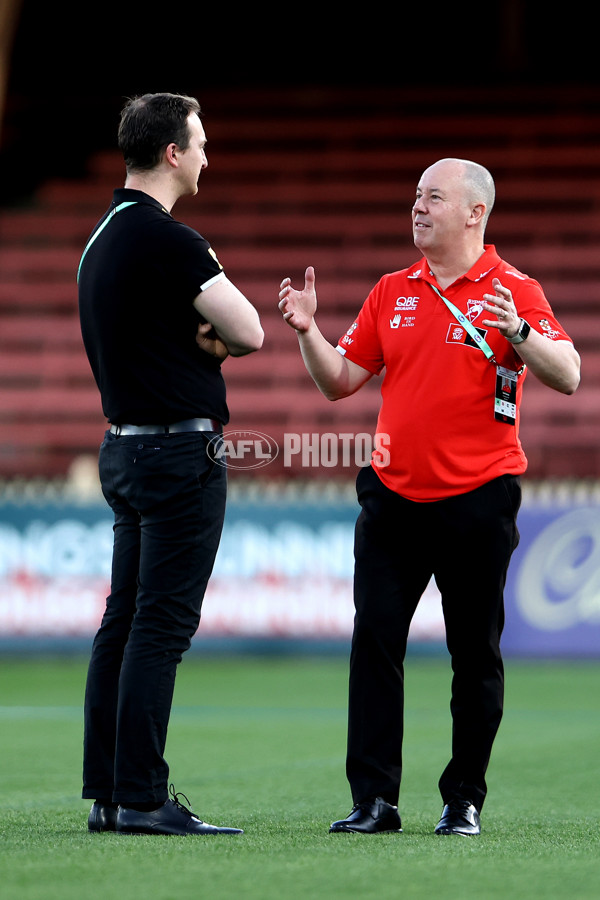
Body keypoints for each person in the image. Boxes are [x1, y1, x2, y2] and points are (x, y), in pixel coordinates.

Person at [278, 158, 580, 837]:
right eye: (416, 196)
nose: (418, 207)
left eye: (433, 198)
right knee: (375, 645)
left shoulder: (514, 290)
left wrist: (523, 334)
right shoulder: (392, 290)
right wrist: (307, 332)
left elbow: (570, 374)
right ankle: (374, 801)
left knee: (474, 657)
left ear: (476, 212)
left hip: (478, 501)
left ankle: (463, 798)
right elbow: (340, 381)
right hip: (392, 501)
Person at [78, 92, 263, 836]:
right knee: (160, 626)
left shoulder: (102, 238)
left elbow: (152, 335)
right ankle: (145, 796)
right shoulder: (170, 239)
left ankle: (108, 793)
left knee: (122, 620)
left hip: (121, 446)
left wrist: (197, 340)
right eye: (202, 143)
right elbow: (248, 330)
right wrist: (213, 338)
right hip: (179, 449)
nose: (208, 157)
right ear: (174, 153)